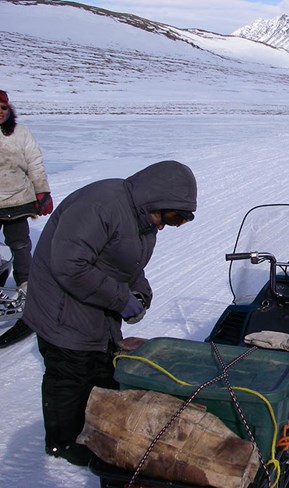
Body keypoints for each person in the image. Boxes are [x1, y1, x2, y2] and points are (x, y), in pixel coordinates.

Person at [22, 160, 197, 466]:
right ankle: (62, 443)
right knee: (69, 377)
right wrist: (120, 299)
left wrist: (140, 294)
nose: (167, 225)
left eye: (178, 221)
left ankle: (96, 430)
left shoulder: (143, 220)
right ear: (157, 200)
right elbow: (69, 266)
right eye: (172, 218)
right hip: (62, 310)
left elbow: (129, 266)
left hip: (93, 308)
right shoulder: (101, 204)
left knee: (102, 371)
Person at [0, 89, 53, 347]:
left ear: (8, 109)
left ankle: (26, 284)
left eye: (2, 108)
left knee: (19, 243)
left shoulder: (21, 134)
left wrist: (41, 190)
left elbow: (35, 162)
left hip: (17, 198)